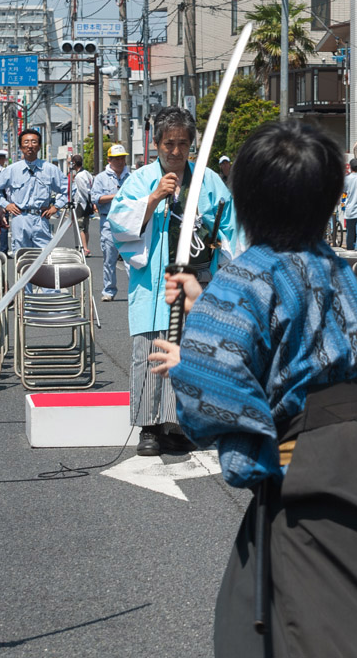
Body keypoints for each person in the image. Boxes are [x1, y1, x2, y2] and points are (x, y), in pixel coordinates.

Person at [147, 119, 357, 657]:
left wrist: (190, 360)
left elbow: (221, 375)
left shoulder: (248, 273)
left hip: (308, 464)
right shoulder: (334, 264)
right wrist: (201, 302)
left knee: (291, 626)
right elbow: (297, 333)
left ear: (249, 196)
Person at [105, 106, 235, 457]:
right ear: (157, 144)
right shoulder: (140, 179)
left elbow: (231, 228)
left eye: (183, 143)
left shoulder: (209, 181)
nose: (176, 152)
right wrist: (153, 199)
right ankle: (148, 427)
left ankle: (179, 424)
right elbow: (118, 224)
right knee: (150, 351)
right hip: (153, 283)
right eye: (168, 144)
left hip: (196, 283)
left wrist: (225, 254)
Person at [0, 128, 67, 251]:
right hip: (20, 218)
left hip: (41, 218)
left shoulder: (50, 169)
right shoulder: (12, 169)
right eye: (26, 142)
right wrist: (6, 205)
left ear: (40, 146)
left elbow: (68, 190)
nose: (30, 146)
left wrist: (56, 207)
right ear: (20, 147)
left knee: (44, 257)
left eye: (34, 142)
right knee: (21, 257)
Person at [90, 144, 131, 301]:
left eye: (122, 158)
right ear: (109, 160)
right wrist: (117, 196)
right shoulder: (101, 178)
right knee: (109, 257)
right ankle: (109, 290)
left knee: (131, 257)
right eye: (117, 159)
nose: (120, 162)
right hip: (108, 219)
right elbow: (95, 198)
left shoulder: (131, 177)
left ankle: (134, 291)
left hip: (128, 219)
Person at [71, 154, 94, 256]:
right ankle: (86, 247)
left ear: (74, 163)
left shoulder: (79, 176)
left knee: (81, 227)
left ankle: (84, 248)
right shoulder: (87, 173)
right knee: (86, 227)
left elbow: (83, 191)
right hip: (88, 203)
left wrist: (87, 201)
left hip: (81, 203)